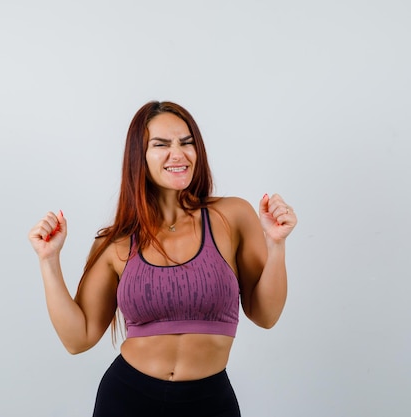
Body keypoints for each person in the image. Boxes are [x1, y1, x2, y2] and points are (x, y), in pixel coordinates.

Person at [28, 101, 297, 417]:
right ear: (138, 157)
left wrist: (276, 244)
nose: (178, 154)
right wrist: (49, 260)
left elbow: (265, 315)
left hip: (209, 402)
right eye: (161, 144)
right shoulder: (117, 241)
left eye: (186, 142)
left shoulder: (232, 216)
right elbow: (79, 338)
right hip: (127, 399)